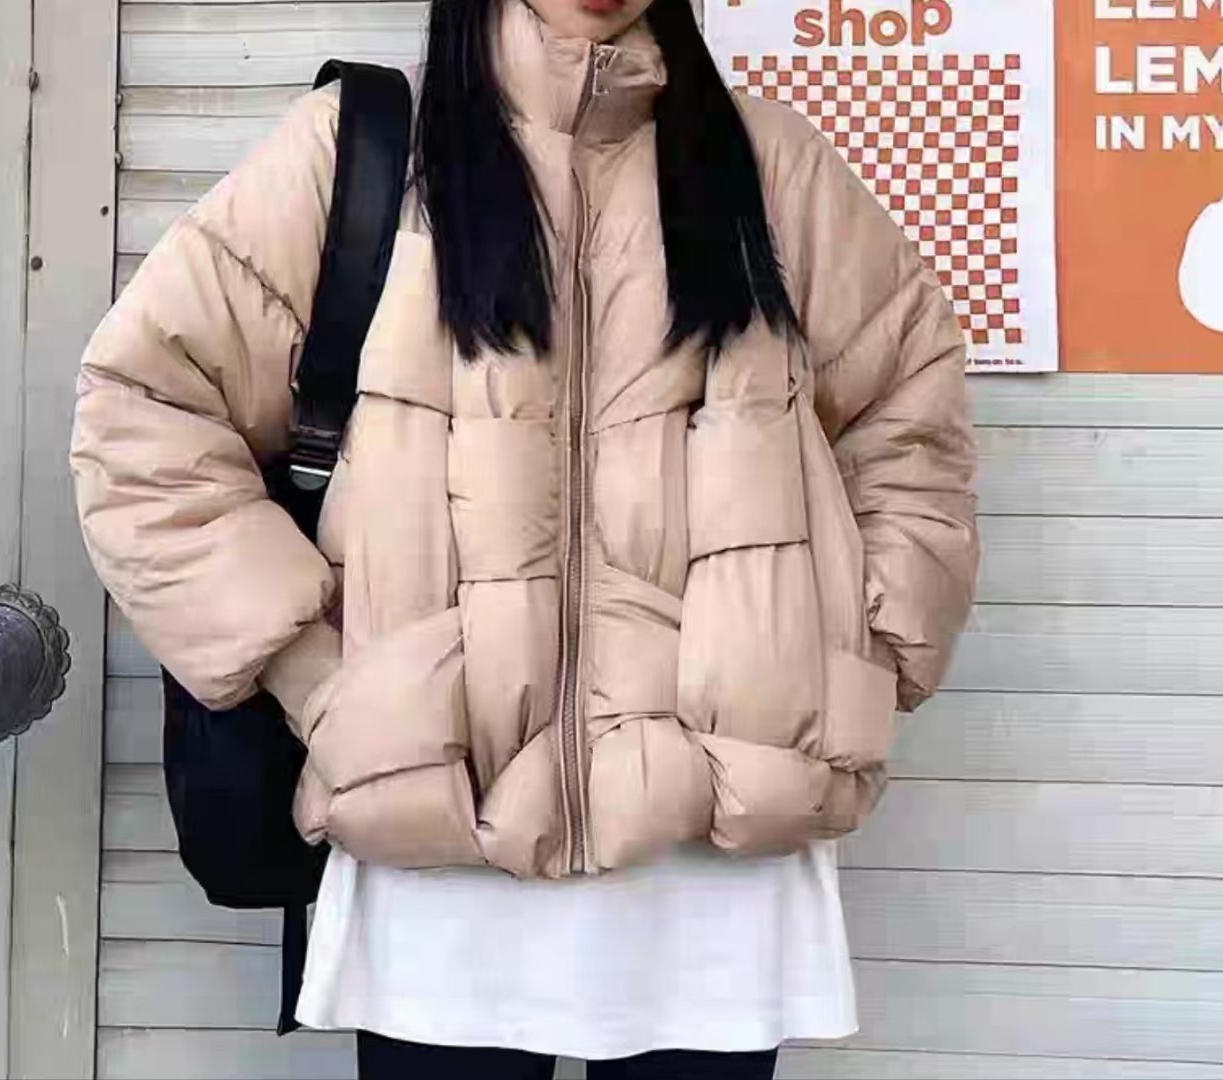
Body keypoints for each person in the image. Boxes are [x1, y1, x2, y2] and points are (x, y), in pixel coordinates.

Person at [70, 0, 978, 1076]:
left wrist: (851, 666)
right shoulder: (370, 155)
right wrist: (322, 685)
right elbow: (144, 414)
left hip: (718, 870)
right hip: (440, 854)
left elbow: (908, 423)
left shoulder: (768, 169)